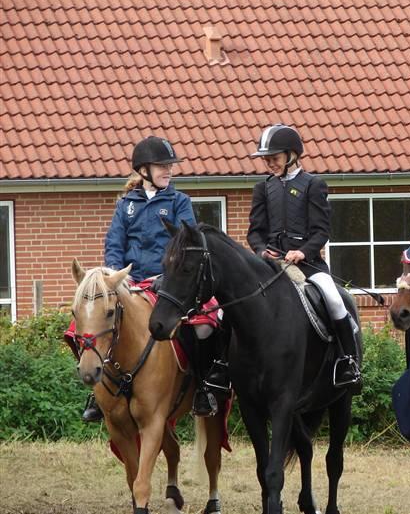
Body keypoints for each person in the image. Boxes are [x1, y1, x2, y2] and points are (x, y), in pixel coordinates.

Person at [80, 136, 225, 422]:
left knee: (204, 327)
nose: (168, 170)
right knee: (88, 323)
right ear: (144, 170)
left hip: (166, 284)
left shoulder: (179, 201)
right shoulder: (125, 205)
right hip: (129, 283)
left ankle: (203, 387)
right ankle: (98, 391)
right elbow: (114, 244)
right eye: (162, 166)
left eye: (170, 166)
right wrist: (115, 276)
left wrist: (169, 275)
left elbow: (186, 243)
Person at [247, 124, 361, 388]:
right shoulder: (262, 189)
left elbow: (322, 231)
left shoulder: (313, 185)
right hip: (272, 263)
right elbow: (255, 232)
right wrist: (262, 251)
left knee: (334, 299)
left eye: (273, 158)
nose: (269, 164)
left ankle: (348, 363)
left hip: (308, 263)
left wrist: (303, 251)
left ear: (291, 155)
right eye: (266, 159)